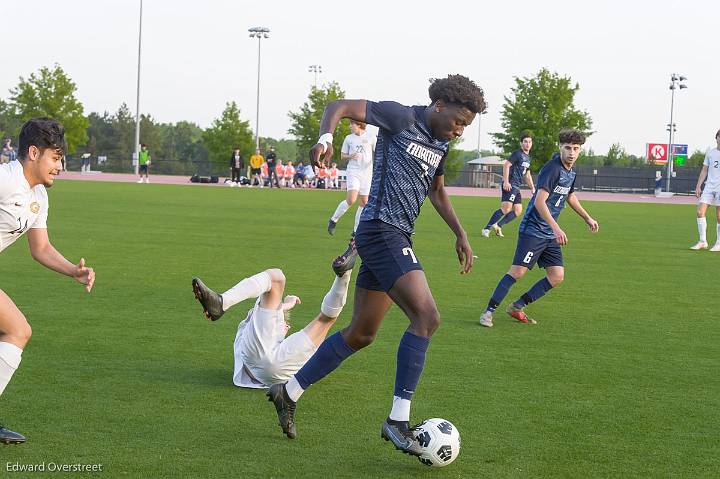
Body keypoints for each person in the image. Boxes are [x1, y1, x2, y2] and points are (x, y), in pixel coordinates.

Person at [266, 74, 485, 456]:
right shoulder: (400, 117)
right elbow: (339, 107)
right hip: (381, 232)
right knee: (428, 318)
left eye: (466, 126)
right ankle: (398, 419)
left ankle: (289, 391)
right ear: (439, 106)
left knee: (362, 333)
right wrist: (325, 138)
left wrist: (460, 233)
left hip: (396, 236)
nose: (459, 130)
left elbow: (436, 190)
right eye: (458, 121)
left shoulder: (440, 143)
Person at [0, 118, 96, 444]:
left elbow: (40, 248)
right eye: (55, 158)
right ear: (32, 152)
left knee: (17, 330)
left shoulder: (37, 195)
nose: (60, 166)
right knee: (16, 330)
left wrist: (73, 270)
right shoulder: (6, 178)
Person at [479, 129, 598, 328]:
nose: (571, 152)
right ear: (560, 147)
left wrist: (587, 217)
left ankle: (517, 306)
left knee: (557, 276)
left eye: (575, 149)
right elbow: (539, 203)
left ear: (580, 151)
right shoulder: (552, 168)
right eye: (567, 148)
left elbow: (569, 195)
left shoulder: (572, 171)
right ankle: (488, 312)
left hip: (549, 233)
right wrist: (557, 228)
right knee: (517, 272)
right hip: (533, 230)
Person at [191, 267, 353, 401]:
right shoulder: (263, 336)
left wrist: (284, 306)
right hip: (279, 374)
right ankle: (345, 273)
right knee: (326, 319)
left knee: (276, 279)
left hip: (255, 362)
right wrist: (283, 307)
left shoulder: (251, 331)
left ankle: (222, 301)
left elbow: (265, 312)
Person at [481, 133, 535, 237]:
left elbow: (527, 175)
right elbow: (506, 165)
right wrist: (506, 181)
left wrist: (532, 187)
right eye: (525, 142)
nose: (527, 144)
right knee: (506, 209)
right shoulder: (517, 154)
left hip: (517, 186)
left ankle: (498, 225)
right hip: (510, 184)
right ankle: (486, 228)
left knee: (518, 210)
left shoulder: (528, 158)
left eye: (529, 142)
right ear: (521, 143)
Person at [690, 129, 720, 251]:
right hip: (709, 186)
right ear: (716, 137)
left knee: (719, 216)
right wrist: (698, 186)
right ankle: (703, 241)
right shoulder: (710, 153)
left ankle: (718, 243)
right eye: (719, 136)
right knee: (699, 212)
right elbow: (704, 170)